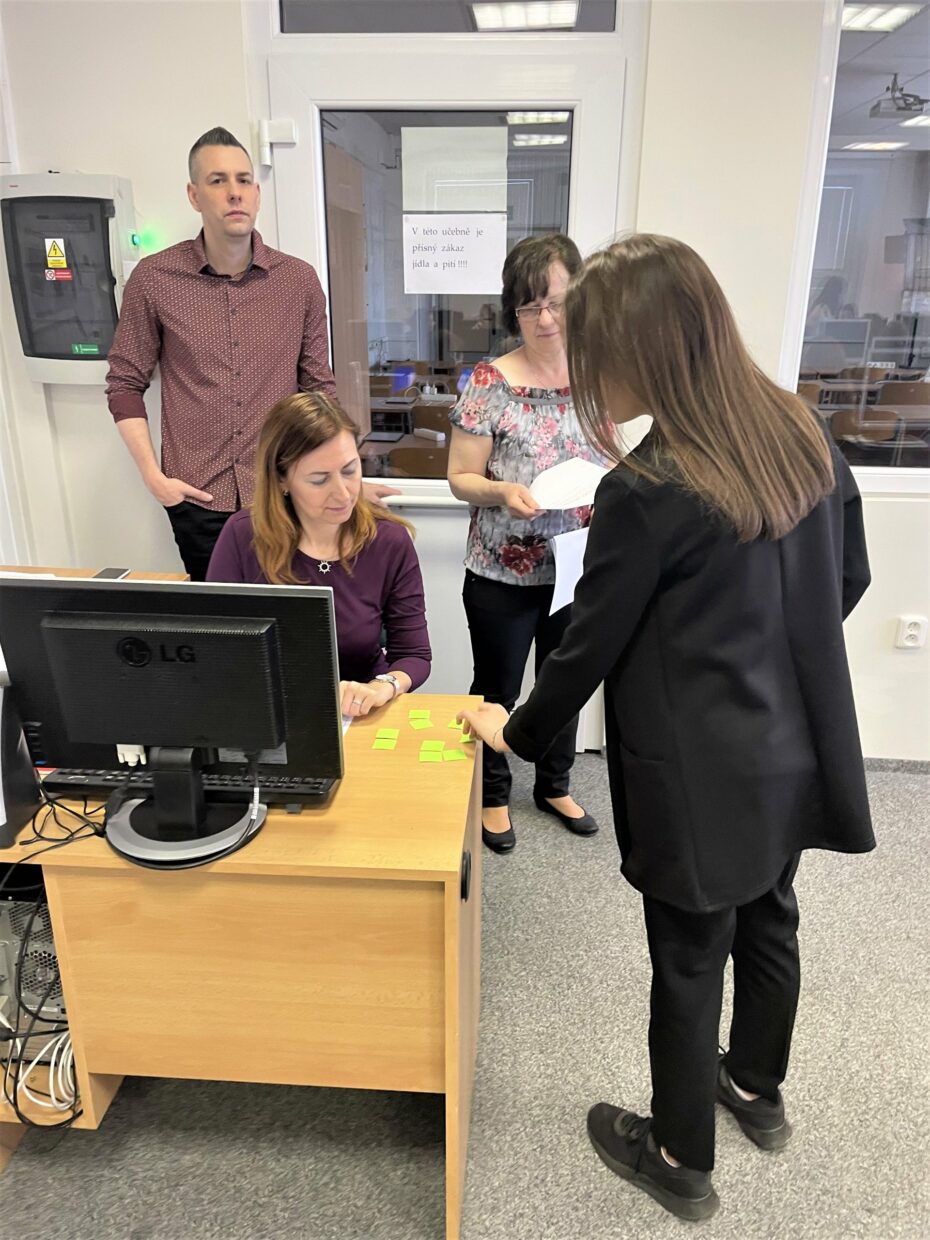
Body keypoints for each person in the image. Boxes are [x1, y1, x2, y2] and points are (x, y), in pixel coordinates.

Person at [459, 234, 874, 1221]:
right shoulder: (798, 429)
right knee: (770, 914)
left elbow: (584, 649)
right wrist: (768, 663)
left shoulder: (648, 489)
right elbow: (848, 576)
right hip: (793, 745)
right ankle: (755, 1089)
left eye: (596, 347)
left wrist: (512, 730)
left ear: (640, 347)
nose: (587, 369)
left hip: (698, 773)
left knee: (690, 955)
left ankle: (681, 1154)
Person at [106, 126, 396, 581]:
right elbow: (124, 384)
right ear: (194, 195)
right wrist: (153, 477)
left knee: (296, 610)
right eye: (217, 180)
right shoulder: (154, 280)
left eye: (243, 180)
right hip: (199, 497)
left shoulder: (298, 281)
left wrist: (342, 479)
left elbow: (318, 387)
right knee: (224, 618)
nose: (234, 192)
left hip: (285, 491)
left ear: (257, 194)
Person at [447, 233, 603, 854]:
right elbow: (460, 477)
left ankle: (554, 785)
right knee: (498, 688)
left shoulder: (598, 375)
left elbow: (610, 456)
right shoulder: (490, 381)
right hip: (500, 572)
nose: (545, 319)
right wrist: (501, 492)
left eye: (557, 303)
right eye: (530, 306)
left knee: (563, 682)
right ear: (514, 309)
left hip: (576, 567)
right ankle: (491, 793)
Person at [207, 393, 430, 718]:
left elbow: (414, 654)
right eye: (319, 479)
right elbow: (218, 648)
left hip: (361, 712)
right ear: (281, 480)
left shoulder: (389, 541)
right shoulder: (243, 536)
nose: (342, 493)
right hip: (271, 707)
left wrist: (384, 686)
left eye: (350, 470)